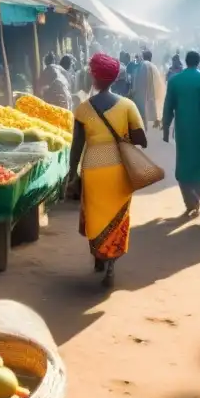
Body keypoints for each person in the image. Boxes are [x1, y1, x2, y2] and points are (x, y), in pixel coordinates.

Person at [69, 53, 149, 287]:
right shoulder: (128, 106)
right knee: (118, 216)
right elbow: (141, 139)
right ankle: (111, 265)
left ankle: (98, 257)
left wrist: (72, 173)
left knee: (95, 214)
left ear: (94, 77)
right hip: (118, 170)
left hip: (93, 169)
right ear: (115, 78)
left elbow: (76, 147)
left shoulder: (83, 110)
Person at [162, 51, 200, 217]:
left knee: (184, 162)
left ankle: (190, 199)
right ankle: (196, 197)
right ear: (198, 62)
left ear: (186, 62)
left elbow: (168, 106)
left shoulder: (174, 81)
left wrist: (166, 128)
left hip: (183, 128)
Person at [131, 50, 166, 129]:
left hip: (143, 89)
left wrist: (134, 89)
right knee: (153, 103)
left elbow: (137, 78)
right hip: (153, 88)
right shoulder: (154, 66)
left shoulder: (142, 65)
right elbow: (158, 79)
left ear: (143, 57)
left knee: (143, 106)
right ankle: (157, 120)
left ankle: (144, 125)